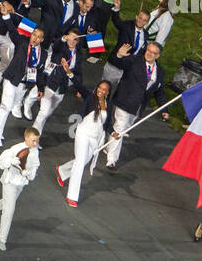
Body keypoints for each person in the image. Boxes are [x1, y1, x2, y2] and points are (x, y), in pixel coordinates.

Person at [104, 40, 169, 168]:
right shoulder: (134, 61)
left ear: (158, 56)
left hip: (138, 107)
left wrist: (164, 109)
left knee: (124, 127)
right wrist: (119, 55)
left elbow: (159, 91)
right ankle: (111, 160)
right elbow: (116, 62)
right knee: (120, 129)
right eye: (148, 50)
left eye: (153, 53)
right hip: (124, 101)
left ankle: (108, 143)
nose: (149, 54)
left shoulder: (159, 71)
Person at [0, 126, 41, 251]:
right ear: (26, 138)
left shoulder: (35, 152)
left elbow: (33, 171)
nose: (35, 143)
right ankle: (2, 239)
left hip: (21, 184)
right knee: (9, 209)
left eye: (37, 140)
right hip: (10, 182)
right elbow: (1, 161)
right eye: (33, 140)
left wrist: (27, 173)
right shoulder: (16, 148)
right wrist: (11, 161)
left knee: (6, 204)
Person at [56, 81, 113, 206]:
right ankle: (72, 196)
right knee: (80, 162)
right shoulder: (90, 98)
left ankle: (62, 170)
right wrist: (70, 74)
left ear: (108, 92)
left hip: (95, 138)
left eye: (104, 90)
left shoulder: (109, 105)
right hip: (83, 133)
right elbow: (80, 87)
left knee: (83, 161)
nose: (101, 91)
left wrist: (113, 133)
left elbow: (107, 124)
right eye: (100, 88)